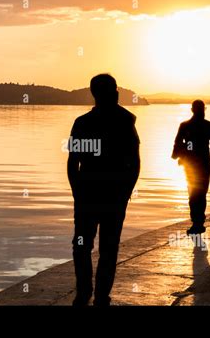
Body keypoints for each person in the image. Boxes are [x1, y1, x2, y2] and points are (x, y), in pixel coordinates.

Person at [67, 74, 140, 306]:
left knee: (84, 245)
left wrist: (77, 191)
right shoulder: (123, 120)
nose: (117, 92)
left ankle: (88, 292)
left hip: (92, 194)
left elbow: (72, 164)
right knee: (104, 246)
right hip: (108, 195)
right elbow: (135, 163)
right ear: (108, 92)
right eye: (114, 89)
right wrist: (126, 190)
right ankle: (95, 294)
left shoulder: (85, 122)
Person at [172, 100, 210, 235]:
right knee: (198, 192)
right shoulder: (205, 125)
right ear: (202, 110)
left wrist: (178, 155)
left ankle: (197, 222)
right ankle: (198, 222)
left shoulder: (186, 126)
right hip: (197, 164)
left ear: (192, 109)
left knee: (195, 193)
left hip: (193, 163)